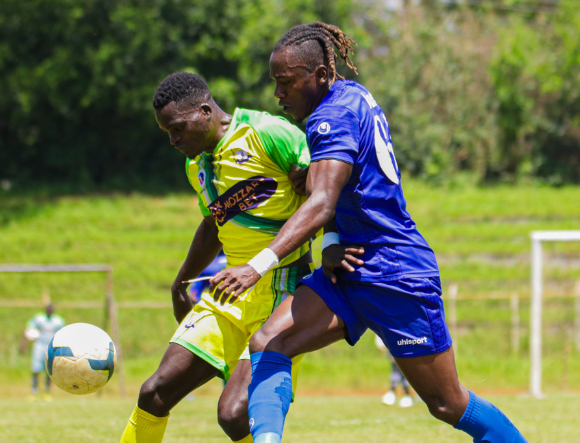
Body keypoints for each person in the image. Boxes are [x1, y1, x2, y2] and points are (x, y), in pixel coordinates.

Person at [210, 23, 528, 443]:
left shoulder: (329, 116)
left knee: (447, 403)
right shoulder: (352, 96)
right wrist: (331, 240)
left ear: (320, 74)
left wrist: (257, 264)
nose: (278, 94)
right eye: (275, 83)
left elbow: (323, 201)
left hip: (395, 271)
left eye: (286, 82)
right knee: (269, 342)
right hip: (350, 267)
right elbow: (351, 189)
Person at [119, 72, 313, 443]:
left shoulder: (270, 133)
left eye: (178, 129)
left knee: (234, 414)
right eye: (168, 134)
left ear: (206, 111)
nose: (174, 141)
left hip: (281, 291)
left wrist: (314, 176)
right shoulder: (198, 165)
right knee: (154, 393)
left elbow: (325, 194)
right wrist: (181, 282)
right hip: (227, 292)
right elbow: (213, 226)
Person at [20, 303, 65, 401]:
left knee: (49, 370)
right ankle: (34, 391)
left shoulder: (58, 321)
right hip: (39, 346)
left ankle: (47, 391)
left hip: (51, 347)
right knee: (35, 369)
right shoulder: (39, 319)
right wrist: (23, 343)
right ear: (45, 310)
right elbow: (28, 329)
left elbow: (62, 334)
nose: (49, 311)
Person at [375, 334, 413, 407]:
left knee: (401, 369)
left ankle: (403, 394)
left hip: (403, 345)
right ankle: (402, 394)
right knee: (398, 369)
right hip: (395, 344)